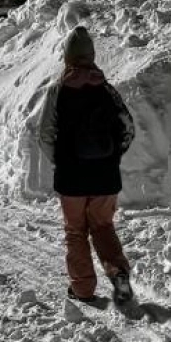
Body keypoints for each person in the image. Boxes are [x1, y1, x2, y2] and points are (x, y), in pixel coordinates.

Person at [38, 26, 135, 305]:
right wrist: (112, 157)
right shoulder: (107, 90)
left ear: (67, 57)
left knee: (75, 231)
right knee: (103, 226)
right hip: (105, 176)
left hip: (71, 177)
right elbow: (128, 129)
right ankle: (118, 274)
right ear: (91, 56)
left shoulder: (57, 91)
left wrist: (61, 160)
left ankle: (82, 289)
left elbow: (45, 134)